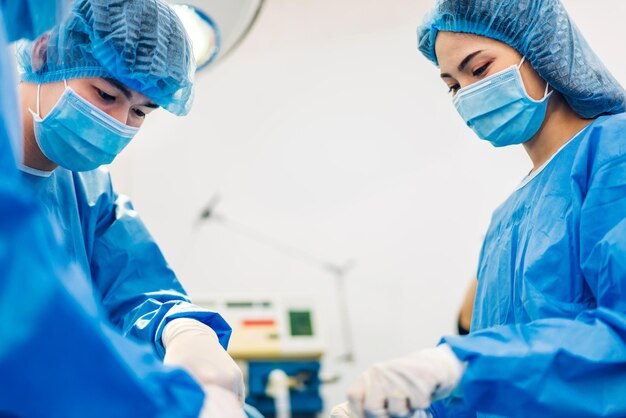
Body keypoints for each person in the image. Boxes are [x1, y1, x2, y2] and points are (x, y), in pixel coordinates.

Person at [332, 0, 626, 416]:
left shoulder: (615, 155)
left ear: (542, 51)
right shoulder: (509, 215)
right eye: (452, 85)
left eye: (479, 69)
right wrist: (423, 405)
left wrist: (456, 364)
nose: (468, 94)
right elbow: (495, 371)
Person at [0, 1, 244, 417]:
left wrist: (182, 329)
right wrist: (172, 404)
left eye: (141, 111)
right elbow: (25, 325)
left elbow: (132, 286)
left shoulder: (87, 187)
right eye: (107, 94)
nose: (119, 122)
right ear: (44, 51)